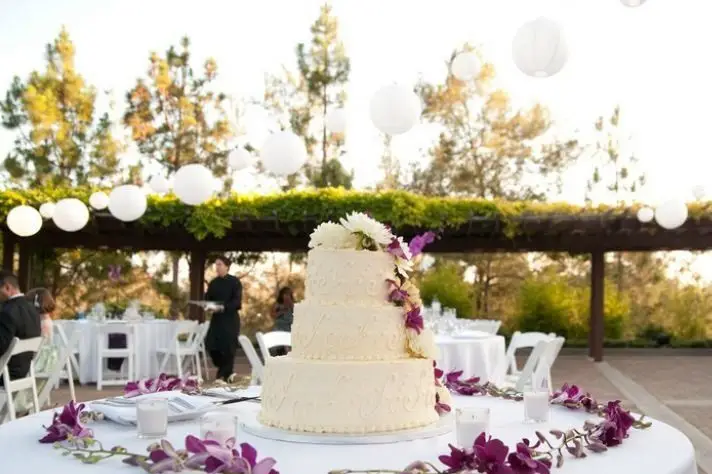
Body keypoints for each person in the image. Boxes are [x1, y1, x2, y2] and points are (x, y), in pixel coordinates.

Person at [204, 256, 242, 381]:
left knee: (228, 348)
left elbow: (237, 302)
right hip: (217, 321)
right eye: (216, 264)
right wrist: (207, 305)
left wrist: (221, 307)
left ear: (226, 266)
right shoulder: (214, 283)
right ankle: (227, 372)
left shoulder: (234, 282)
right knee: (210, 345)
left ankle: (222, 375)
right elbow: (207, 299)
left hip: (230, 320)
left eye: (220, 264)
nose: (217, 267)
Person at [0, 271, 41, 385]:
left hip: (7, 373)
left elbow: (1, 346)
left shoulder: (7, 311)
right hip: (24, 370)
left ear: (7, 287)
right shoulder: (32, 309)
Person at [270, 287, 294, 356]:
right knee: (276, 345)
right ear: (282, 295)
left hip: (290, 327)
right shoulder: (277, 304)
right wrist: (282, 311)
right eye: (285, 294)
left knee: (289, 345)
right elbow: (273, 315)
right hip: (279, 327)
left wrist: (290, 304)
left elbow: (297, 314)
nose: (287, 296)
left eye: (289, 294)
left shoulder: (293, 304)